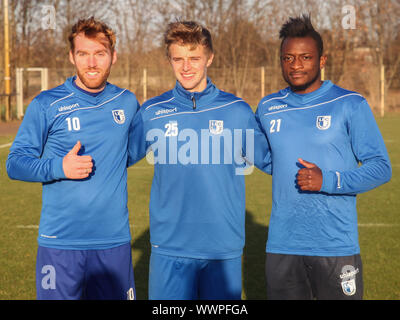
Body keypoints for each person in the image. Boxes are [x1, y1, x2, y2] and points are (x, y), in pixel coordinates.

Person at [129, 20, 271, 300]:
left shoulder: (237, 111)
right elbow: (116, 158)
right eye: (178, 58)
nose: (186, 66)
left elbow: (272, 160)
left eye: (194, 58)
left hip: (222, 250)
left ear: (210, 58)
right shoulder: (153, 112)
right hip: (169, 249)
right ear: (169, 60)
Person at [255, 15, 392, 300]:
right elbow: (270, 159)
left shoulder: (350, 104)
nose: (296, 65)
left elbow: (381, 168)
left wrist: (326, 179)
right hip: (283, 246)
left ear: (321, 60)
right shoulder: (268, 107)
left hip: (335, 246)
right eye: (288, 58)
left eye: (305, 57)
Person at [6, 17, 139, 300]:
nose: (91, 63)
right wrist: (59, 167)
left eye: (99, 53)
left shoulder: (127, 102)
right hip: (60, 243)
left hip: (113, 242)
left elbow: (131, 151)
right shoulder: (46, 104)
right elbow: (15, 162)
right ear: (71, 56)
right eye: (83, 54)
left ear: (113, 56)